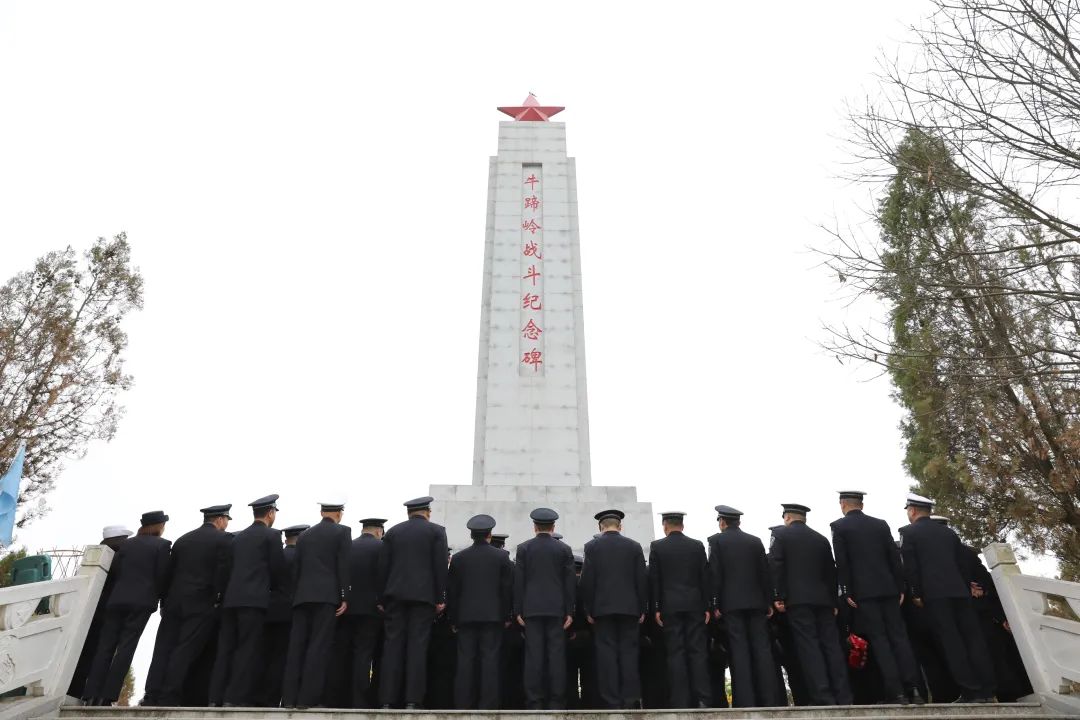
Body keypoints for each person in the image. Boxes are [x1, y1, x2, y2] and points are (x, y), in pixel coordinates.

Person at [900, 494, 995, 702]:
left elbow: (911, 568)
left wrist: (916, 594)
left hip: (935, 597)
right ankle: (987, 690)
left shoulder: (909, 533)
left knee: (952, 644)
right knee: (973, 641)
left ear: (912, 511)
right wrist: (964, 587)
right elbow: (961, 564)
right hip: (960, 594)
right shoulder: (949, 533)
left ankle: (971, 691)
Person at [831, 490, 923, 705]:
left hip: (864, 594)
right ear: (861, 505)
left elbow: (842, 562)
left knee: (880, 641)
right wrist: (900, 588)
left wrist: (846, 591)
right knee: (900, 638)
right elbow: (893, 557)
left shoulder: (839, 527)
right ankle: (915, 689)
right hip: (889, 590)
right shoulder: (880, 524)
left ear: (843, 504)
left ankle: (897, 692)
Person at [82, 510, 172, 706]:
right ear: (159, 526)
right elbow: (162, 576)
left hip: (116, 601)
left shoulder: (126, 545)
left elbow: (116, 570)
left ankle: (90, 694)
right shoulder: (163, 545)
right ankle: (108, 696)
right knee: (125, 649)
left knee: (105, 647)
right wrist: (159, 597)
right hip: (141, 603)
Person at [145, 504, 232, 706]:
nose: (226, 525)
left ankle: (151, 694)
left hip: (173, 602)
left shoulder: (183, 540)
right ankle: (169, 695)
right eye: (227, 520)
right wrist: (218, 598)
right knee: (185, 648)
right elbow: (222, 573)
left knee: (163, 648)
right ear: (220, 519)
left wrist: (164, 601)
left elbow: (169, 572)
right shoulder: (224, 540)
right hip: (201, 603)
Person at [769, 503, 852, 706]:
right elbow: (831, 571)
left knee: (809, 648)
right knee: (832, 647)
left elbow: (776, 565)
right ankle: (844, 696)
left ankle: (823, 696)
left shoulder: (781, 537)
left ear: (787, 518)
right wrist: (833, 600)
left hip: (798, 602)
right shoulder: (821, 539)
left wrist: (778, 595)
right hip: (823, 601)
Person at [210, 494, 285, 706]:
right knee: (246, 650)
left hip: (231, 601)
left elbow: (225, 570)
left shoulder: (237, 538)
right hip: (254, 602)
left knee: (225, 649)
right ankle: (234, 698)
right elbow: (277, 569)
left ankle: (214, 697)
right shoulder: (272, 536)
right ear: (270, 513)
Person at [377, 496, 448, 709]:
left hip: (395, 597)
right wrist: (440, 598)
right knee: (417, 648)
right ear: (427, 512)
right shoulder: (436, 531)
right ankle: (412, 700)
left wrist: (381, 598)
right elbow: (440, 567)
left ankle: (387, 700)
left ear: (409, 513)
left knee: (392, 648)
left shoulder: (393, 532)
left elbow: (384, 567)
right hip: (423, 598)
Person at [282, 499, 351, 709]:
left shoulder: (304, 536)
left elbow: (297, 569)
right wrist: (344, 595)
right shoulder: (342, 532)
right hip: (326, 597)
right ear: (339, 513)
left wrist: (295, 596)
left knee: (296, 648)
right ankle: (308, 699)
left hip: (302, 598)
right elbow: (343, 565)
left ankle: (289, 699)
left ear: (322, 512)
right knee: (318, 648)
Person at [707, 505, 778, 707]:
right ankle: (769, 699)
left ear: (722, 521)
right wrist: (767, 602)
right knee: (762, 652)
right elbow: (764, 574)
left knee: (739, 653)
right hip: (757, 605)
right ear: (738, 522)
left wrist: (715, 604)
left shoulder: (716, 541)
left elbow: (716, 575)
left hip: (731, 606)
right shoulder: (755, 542)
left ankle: (745, 701)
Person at [580, 509, 647, 710]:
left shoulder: (591, 547)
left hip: (602, 609)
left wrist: (588, 609)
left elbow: (587, 581)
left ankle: (611, 700)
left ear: (601, 527)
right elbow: (641, 579)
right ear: (620, 526)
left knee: (606, 655)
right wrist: (642, 607)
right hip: (629, 609)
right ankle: (630, 699)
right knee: (629, 653)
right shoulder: (634, 547)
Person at [447, 514, 513, 709]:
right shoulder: (502, 556)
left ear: (471, 535)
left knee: (465, 661)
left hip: (465, 618)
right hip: (493, 618)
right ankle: (488, 705)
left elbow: (453, 591)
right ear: (490, 534)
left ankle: (463, 703)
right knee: (490, 661)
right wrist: (506, 615)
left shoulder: (459, 558)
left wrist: (453, 618)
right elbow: (506, 590)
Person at [514, 507, 575, 710]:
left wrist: (518, 610)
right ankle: (556, 701)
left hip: (531, 610)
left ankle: (534, 701)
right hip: (557, 610)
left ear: (535, 527)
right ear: (553, 527)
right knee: (556, 657)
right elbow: (569, 584)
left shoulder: (524, 549)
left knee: (533, 657)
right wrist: (570, 611)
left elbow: (519, 582)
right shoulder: (564, 549)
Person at [648, 511, 711, 708]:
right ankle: (702, 699)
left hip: (670, 606)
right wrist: (707, 606)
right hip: (694, 605)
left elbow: (655, 580)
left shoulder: (657, 546)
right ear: (682, 525)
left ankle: (680, 701)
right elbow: (704, 577)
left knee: (675, 653)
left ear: (665, 525)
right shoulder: (697, 545)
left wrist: (656, 607)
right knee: (697, 652)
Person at [68, 525, 133, 700]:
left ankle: (73, 689)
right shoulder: (119, 556)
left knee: (79, 653)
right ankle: (81, 692)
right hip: (104, 613)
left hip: (86, 611)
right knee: (95, 654)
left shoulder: (96, 554)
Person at [334, 517, 386, 708]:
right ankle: (360, 700)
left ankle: (341, 697)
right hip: (371, 611)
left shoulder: (349, 546)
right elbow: (383, 577)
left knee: (343, 654)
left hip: (346, 609)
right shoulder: (381, 547)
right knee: (364, 656)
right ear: (379, 531)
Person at [262, 524, 308, 707]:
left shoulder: (276, 555)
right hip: (290, 613)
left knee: (265, 655)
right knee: (284, 658)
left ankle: (263, 698)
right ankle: (278, 697)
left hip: (268, 611)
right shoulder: (301, 557)